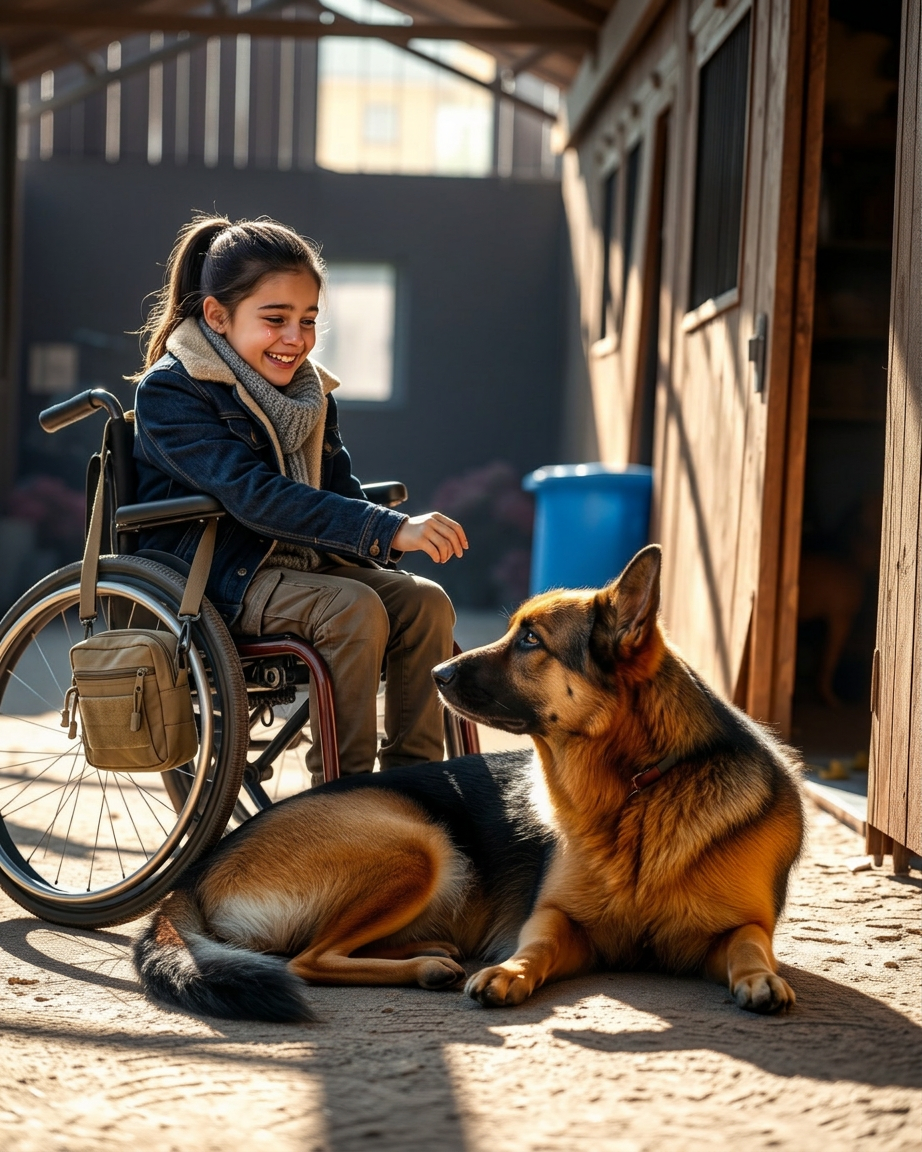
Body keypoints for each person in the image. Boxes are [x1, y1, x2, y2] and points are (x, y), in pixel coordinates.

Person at [131, 214, 467, 777]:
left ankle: (416, 784)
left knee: (425, 601)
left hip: (297, 565)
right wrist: (387, 529)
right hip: (214, 578)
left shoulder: (310, 394)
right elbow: (255, 495)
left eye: (308, 320)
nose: (296, 338)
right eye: (275, 319)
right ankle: (345, 798)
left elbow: (336, 491)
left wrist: (393, 533)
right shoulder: (172, 390)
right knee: (351, 608)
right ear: (217, 316)